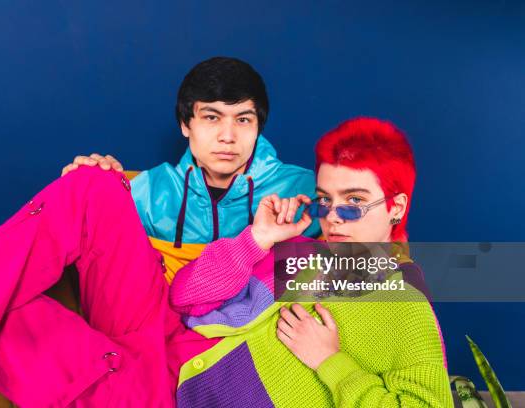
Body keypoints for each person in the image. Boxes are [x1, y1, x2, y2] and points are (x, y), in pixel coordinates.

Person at [0, 57, 319, 406]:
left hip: (210, 341)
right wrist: (80, 185)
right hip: (144, 316)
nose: (227, 136)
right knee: (92, 181)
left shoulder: (302, 190)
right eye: (211, 117)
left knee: (9, 314)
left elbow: (362, 247)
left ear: (258, 127)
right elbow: (81, 227)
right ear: (186, 125)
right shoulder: (149, 187)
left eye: (242, 120)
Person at [169, 117, 453, 407]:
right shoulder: (296, 253)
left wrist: (330, 361)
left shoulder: (406, 307)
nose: (333, 218)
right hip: (166, 376)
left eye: (354, 201)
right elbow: (183, 296)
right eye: (325, 201)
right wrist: (258, 238)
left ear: (396, 207)